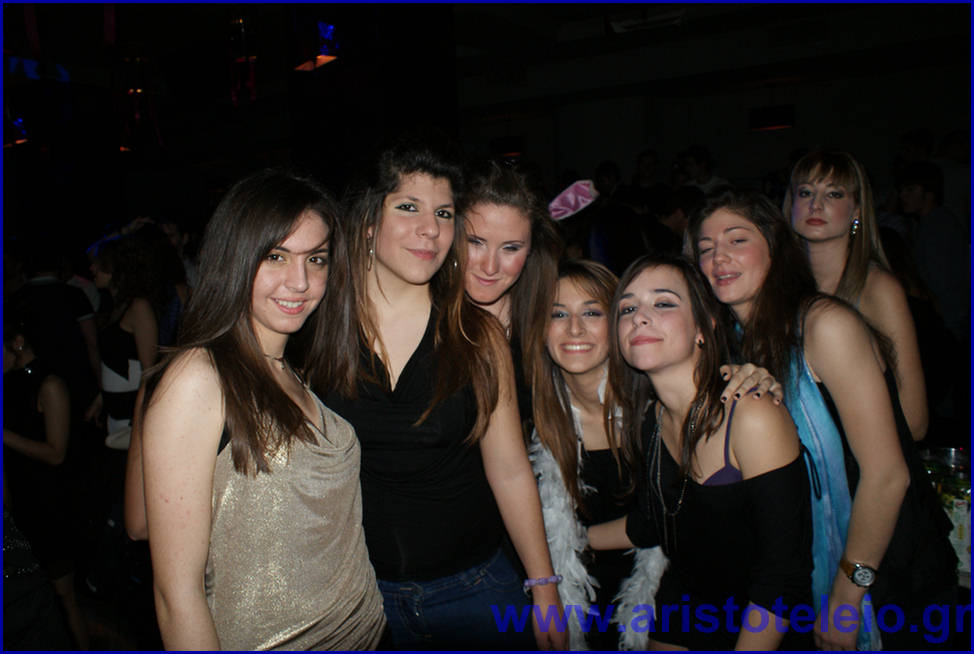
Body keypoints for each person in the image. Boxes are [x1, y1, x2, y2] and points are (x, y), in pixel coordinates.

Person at [323, 134, 566, 650]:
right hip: (360, 598)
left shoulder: (476, 336)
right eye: (408, 207)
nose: (430, 228)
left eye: (444, 213)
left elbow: (509, 469)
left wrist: (544, 587)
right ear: (368, 223)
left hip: (474, 589)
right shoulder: (319, 328)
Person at [689, 190, 957, 650]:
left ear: (775, 248)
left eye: (737, 240)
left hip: (890, 579)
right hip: (799, 580)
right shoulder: (730, 345)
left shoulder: (824, 325)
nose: (719, 258)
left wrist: (847, 597)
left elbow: (888, 475)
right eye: (706, 247)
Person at [140, 168, 386, 650]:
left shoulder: (289, 368)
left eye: (316, 259)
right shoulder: (199, 378)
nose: (300, 281)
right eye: (276, 256)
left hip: (369, 630)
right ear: (236, 258)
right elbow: (176, 596)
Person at [588, 254, 813, 650]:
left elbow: (782, 578)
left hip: (761, 624)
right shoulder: (652, 419)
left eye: (663, 303)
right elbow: (651, 525)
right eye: (627, 309)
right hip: (687, 610)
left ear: (704, 327)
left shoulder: (751, 415)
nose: (640, 318)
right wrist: (559, 542)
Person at [528, 259, 666, 650]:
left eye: (592, 312)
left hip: (664, 603)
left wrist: (574, 539)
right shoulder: (527, 417)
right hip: (571, 603)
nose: (574, 328)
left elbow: (664, 521)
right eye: (558, 314)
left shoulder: (657, 405)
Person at [783, 149, 929, 441]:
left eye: (834, 194)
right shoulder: (780, 285)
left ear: (857, 211)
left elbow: (915, 421)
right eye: (806, 192)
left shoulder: (878, 288)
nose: (815, 204)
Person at [3, 320, 89, 649]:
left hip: (50, 504)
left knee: (63, 598)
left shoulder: (50, 384)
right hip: (23, 504)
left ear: (18, 342)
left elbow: (56, 453)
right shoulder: (10, 384)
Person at [461, 158, 563, 430]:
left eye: (510, 248)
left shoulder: (552, 320)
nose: (490, 267)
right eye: (475, 242)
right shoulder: (425, 317)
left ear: (531, 250)